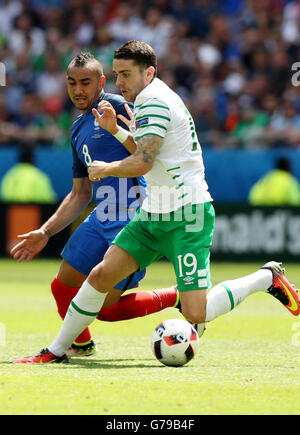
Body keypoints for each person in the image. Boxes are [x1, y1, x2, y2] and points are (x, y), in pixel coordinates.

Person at [14, 41, 299, 364]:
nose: (120, 83)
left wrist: (106, 168)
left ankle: (266, 278)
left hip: (187, 213)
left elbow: (144, 162)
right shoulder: (146, 99)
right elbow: (144, 149)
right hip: (153, 213)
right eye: (117, 74)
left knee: (197, 311)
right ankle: (56, 351)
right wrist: (118, 132)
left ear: (148, 73)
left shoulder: (154, 102)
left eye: (125, 75)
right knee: (99, 277)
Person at [11, 51, 179, 359]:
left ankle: (175, 296)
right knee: (62, 287)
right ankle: (80, 345)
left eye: (85, 82)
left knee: (105, 309)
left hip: (131, 219)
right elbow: (80, 193)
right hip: (100, 217)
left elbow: (150, 154)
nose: (78, 90)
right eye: (71, 83)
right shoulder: (77, 128)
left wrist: (117, 129)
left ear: (101, 81)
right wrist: (45, 232)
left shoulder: (119, 106)